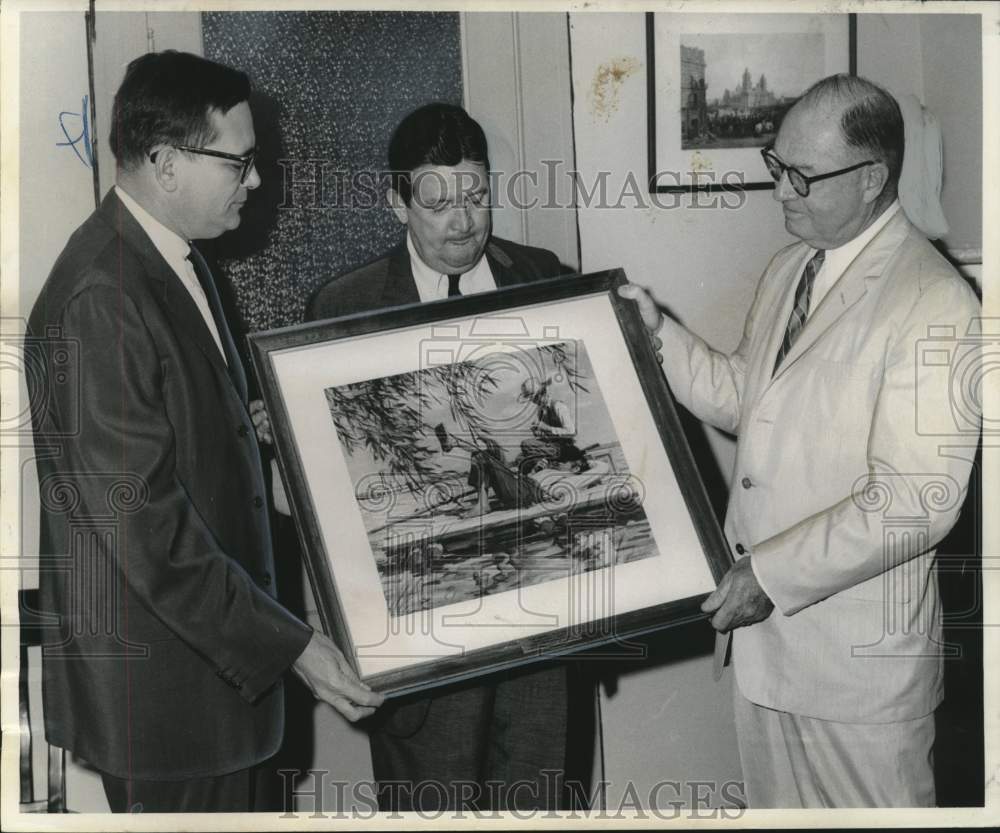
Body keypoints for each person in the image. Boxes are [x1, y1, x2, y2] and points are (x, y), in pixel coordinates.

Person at [27, 50, 382, 814]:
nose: (255, 181)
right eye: (240, 162)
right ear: (164, 161)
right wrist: (295, 646)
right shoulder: (101, 294)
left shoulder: (178, 261)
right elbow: (149, 531)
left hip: (210, 694)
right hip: (170, 711)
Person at [621, 74, 980, 807]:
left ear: (872, 178)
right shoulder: (792, 265)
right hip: (766, 657)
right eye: (774, 164)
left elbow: (916, 500)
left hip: (856, 678)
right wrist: (657, 334)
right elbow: (744, 399)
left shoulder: (935, 300)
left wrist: (769, 576)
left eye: (802, 176)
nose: (780, 190)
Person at [306, 102, 584, 812]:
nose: (463, 222)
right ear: (396, 201)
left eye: (476, 195)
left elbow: (573, 427)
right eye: (437, 202)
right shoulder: (343, 307)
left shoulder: (545, 275)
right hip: (420, 649)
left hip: (541, 644)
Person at [516, 377, 588, 475]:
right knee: (520, 458)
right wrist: (538, 432)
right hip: (552, 447)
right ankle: (539, 469)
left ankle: (545, 468)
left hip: (565, 448)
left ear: (541, 394)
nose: (533, 402)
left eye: (534, 399)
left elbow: (571, 432)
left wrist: (546, 427)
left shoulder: (558, 406)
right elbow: (547, 436)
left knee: (526, 444)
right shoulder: (541, 410)